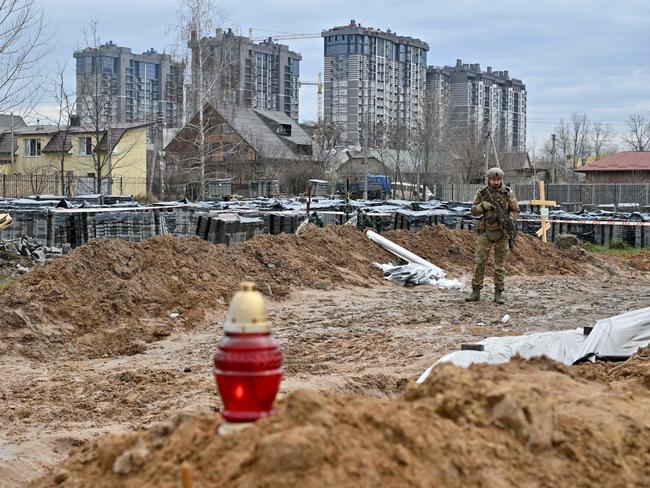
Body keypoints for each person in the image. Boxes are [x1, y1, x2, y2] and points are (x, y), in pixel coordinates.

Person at [465, 167, 519, 304]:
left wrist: (510, 220)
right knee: (480, 261)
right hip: (486, 231)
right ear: (488, 180)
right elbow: (473, 211)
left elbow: (515, 210)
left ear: (501, 180)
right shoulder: (482, 193)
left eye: (498, 179)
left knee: (499, 265)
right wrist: (482, 206)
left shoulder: (508, 193)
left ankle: (498, 292)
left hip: (502, 232)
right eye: (493, 179)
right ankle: (476, 291)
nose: (496, 182)